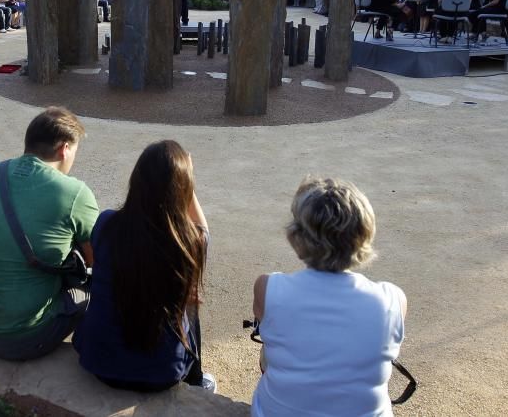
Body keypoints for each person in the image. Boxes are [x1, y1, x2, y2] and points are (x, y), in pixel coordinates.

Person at [250, 177, 406, 417]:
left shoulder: (268, 288)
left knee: (274, 337)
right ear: (364, 236)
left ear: (296, 237)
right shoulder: (393, 300)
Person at [0, 107, 99, 361]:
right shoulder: (74, 192)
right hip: (21, 338)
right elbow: (96, 260)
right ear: (64, 149)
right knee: (88, 292)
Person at [74, 140, 216, 392]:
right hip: (162, 373)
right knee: (190, 301)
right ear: (182, 189)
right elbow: (204, 229)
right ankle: (195, 379)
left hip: (97, 361)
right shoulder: (190, 242)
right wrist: (188, 184)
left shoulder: (106, 223)